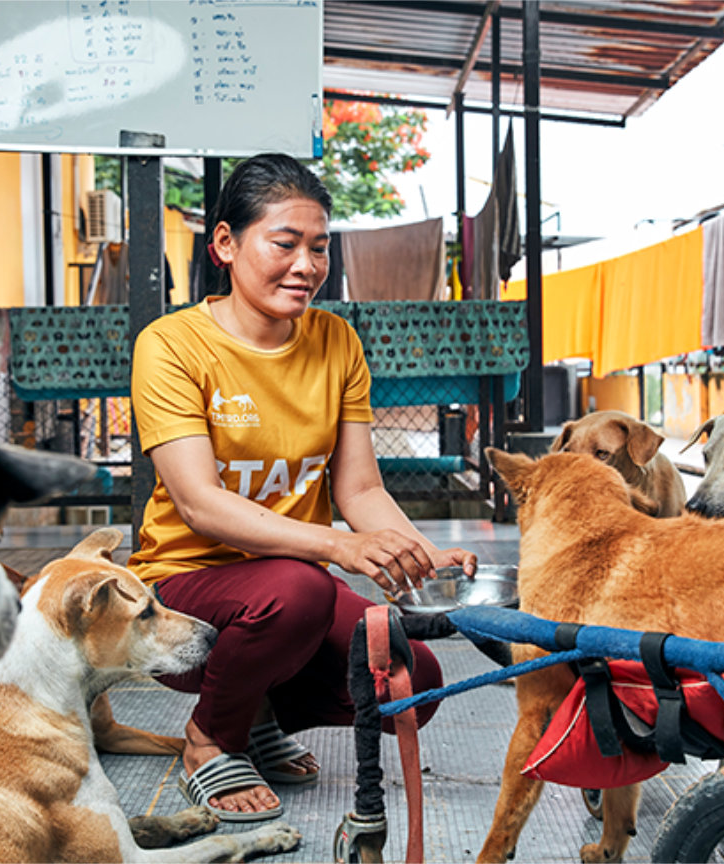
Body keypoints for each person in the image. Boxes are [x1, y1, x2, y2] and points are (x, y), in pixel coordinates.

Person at [126, 152, 477, 821]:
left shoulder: (336, 341)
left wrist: (419, 550)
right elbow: (199, 504)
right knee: (301, 587)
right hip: (185, 588)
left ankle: (257, 710)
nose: (307, 266)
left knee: (415, 683)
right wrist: (340, 549)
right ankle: (210, 738)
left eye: (319, 248)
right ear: (226, 244)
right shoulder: (171, 345)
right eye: (285, 244)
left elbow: (360, 490)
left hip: (294, 598)